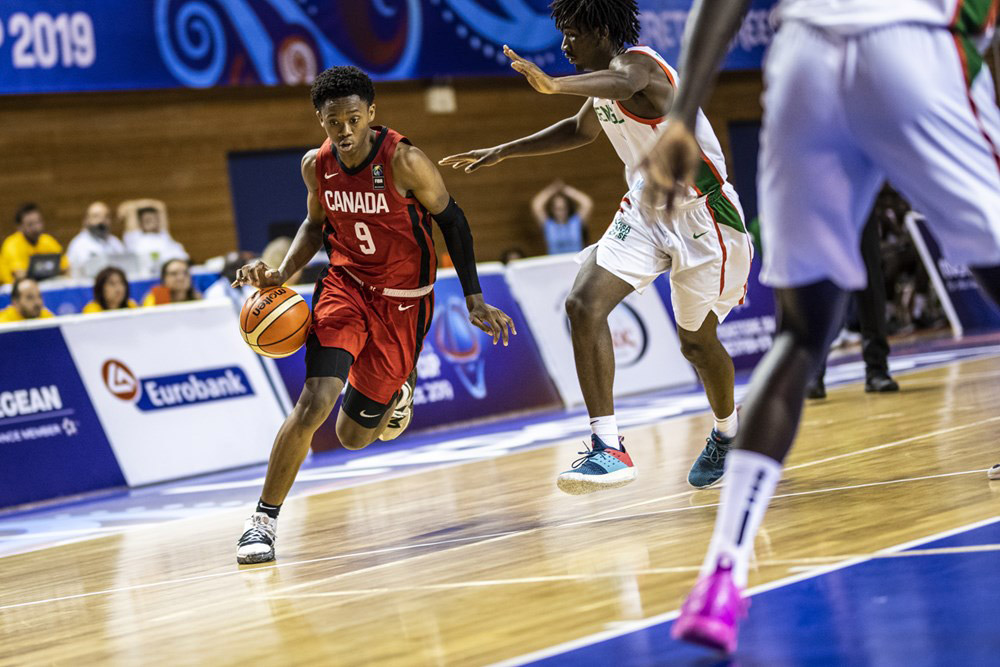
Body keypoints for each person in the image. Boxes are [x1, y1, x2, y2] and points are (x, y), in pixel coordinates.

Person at [639, 0, 1000, 652]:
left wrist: (682, 116)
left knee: (801, 336)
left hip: (804, 56)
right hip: (914, 42)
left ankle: (721, 574)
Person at [440, 0, 753, 493]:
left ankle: (728, 431)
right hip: (646, 212)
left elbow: (624, 83)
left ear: (601, 30)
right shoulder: (607, 84)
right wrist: (506, 149)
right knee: (582, 304)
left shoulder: (639, 67)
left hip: (704, 216)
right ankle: (608, 448)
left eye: (570, 33)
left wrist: (553, 85)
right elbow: (581, 129)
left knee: (696, 343)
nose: (564, 45)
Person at [230, 66, 515, 565]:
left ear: (372, 115)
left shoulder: (406, 162)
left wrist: (473, 298)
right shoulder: (315, 165)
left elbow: (455, 223)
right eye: (333, 121)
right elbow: (315, 225)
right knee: (314, 401)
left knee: (353, 437)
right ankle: (262, 522)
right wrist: (280, 273)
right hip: (345, 288)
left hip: (404, 304)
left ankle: (398, 389)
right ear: (320, 119)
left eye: (353, 119)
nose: (343, 130)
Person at [807, 209, 899, 398]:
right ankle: (815, 373)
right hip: (821, 202)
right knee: (821, 284)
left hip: (860, 203)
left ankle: (877, 369)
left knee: (871, 284)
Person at [0, 203, 68, 284]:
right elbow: (20, 276)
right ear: (20, 227)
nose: (36, 228)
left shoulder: (47, 240)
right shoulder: (12, 244)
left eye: (38, 222)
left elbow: (66, 267)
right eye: (30, 225)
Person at [121, 200, 188, 275]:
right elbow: (130, 208)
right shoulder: (135, 237)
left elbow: (160, 206)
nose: (151, 222)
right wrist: (140, 205)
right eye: (147, 220)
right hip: (146, 275)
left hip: (170, 271)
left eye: (154, 219)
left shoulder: (163, 235)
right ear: (140, 222)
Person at [65, 202, 127, 278]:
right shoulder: (78, 245)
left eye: (106, 217)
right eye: (96, 216)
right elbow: (69, 273)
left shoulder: (115, 242)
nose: (101, 221)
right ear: (86, 220)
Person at [531, 179, 592, 254]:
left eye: (564, 208)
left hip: (575, 262)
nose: (561, 212)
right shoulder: (549, 225)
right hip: (555, 263)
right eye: (558, 209)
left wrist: (566, 189)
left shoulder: (576, 222)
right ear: (552, 210)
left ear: (568, 208)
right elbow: (537, 205)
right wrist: (552, 189)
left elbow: (587, 203)